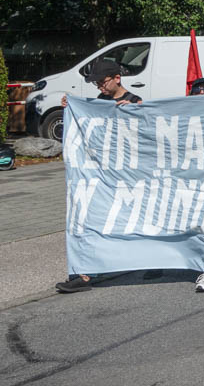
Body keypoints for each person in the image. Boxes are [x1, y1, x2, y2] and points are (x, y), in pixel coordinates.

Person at [55, 60, 143, 294]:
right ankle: (83, 273)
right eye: (95, 83)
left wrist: (137, 114)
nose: (99, 87)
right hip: (100, 178)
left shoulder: (136, 102)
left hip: (128, 178)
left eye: (102, 82)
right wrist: (69, 107)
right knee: (88, 219)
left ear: (117, 78)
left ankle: (151, 261)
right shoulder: (96, 104)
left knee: (134, 221)